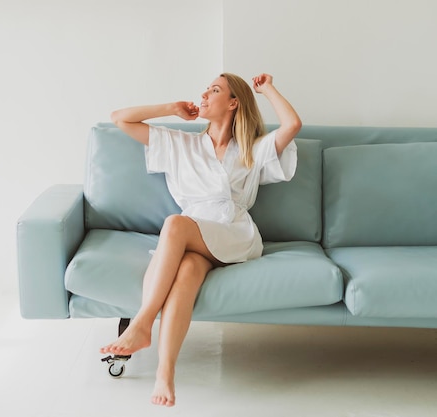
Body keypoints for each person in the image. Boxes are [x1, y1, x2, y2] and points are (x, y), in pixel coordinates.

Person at [99, 73, 302, 407]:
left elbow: (292, 124)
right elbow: (120, 118)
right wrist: (171, 108)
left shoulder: (252, 148)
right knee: (187, 272)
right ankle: (165, 372)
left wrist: (267, 90)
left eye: (215, 90)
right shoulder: (182, 144)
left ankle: (142, 323)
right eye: (205, 89)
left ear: (234, 103)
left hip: (233, 232)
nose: (205, 94)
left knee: (175, 224)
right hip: (197, 237)